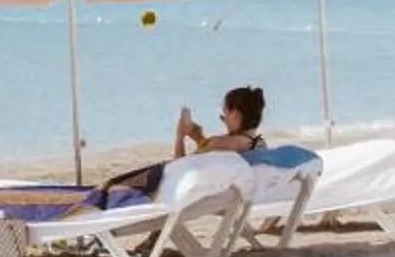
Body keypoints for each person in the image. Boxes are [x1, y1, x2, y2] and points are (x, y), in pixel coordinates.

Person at [93, 84, 268, 205]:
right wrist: (199, 138)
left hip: (187, 196)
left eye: (224, 114)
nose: (223, 119)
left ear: (236, 114)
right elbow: (220, 162)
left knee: (112, 186)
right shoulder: (259, 145)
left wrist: (180, 136)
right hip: (224, 195)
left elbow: (180, 169)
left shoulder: (220, 142)